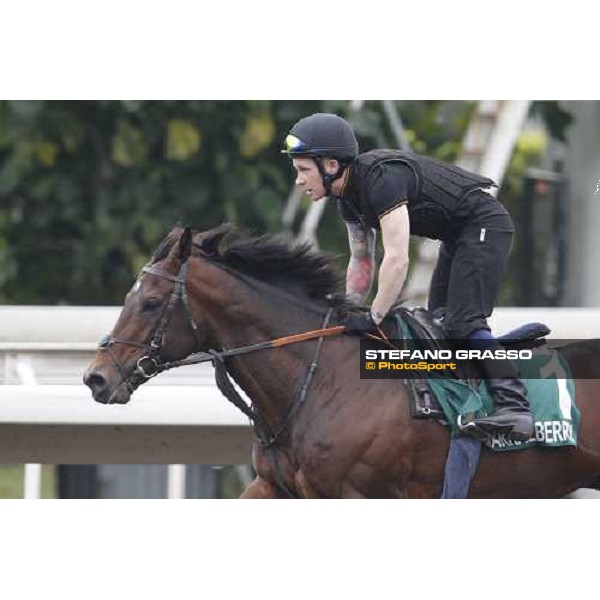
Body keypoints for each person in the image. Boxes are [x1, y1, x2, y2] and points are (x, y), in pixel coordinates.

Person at [281, 112, 534, 442]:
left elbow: (397, 260)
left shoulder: (380, 179)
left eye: (303, 170)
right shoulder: (347, 200)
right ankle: (473, 398)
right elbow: (361, 260)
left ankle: (517, 408)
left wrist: (374, 317)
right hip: (458, 234)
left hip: (485, 224)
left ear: (330, 165)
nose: (299, 180)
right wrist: (350, 311)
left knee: (464, 322)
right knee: (440, 321)